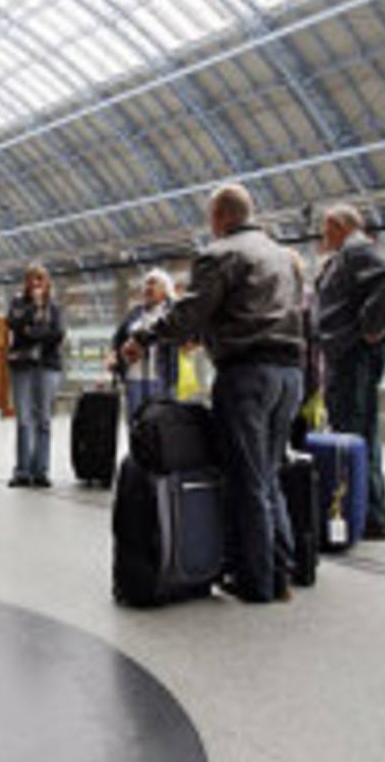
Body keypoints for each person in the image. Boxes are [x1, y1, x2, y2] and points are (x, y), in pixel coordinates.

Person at [123, 184, 303, 603]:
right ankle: (281, 572)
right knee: (270, 473)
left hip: (248, 376)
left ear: (220, 217)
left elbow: (190, 312)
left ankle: (256, 583)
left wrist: (142, 337)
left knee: (247, 479)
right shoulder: (282, 255)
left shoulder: (220, 254)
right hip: (289, 374)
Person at [315, 203, 385, 540]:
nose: (324, 236)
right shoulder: (346, 254)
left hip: (355, 356)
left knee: (357, 430)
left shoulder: (356, 249)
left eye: (326, 229)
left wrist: (371, 325)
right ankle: (370, 511)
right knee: (356, 430)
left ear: (338, 225)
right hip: (346, 355)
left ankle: (372, 516)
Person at [7, 262, 65, 488]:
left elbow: (57, 334)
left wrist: (31, 332)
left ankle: (40, 470)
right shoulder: (18, 304)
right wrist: (34, 310)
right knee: (23, 419)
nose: (35, 284)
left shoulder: (55, 308)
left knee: (44, 420)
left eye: (40, 279)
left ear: (47, 282)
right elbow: (13, 324)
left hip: (48, 367)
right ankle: (22, 470)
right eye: (31, 279)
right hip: (22, 366)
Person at [110, 268, 180, 418]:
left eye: (153, 283)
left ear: (165, 290)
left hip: (160, 379)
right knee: (134, 424)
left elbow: (180, 338)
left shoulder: (173, 313)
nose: (147, 288)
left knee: (159, 426)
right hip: (133, 378)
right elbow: (117, 338)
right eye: (146, 284)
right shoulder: (135, 312)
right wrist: (113, 355)